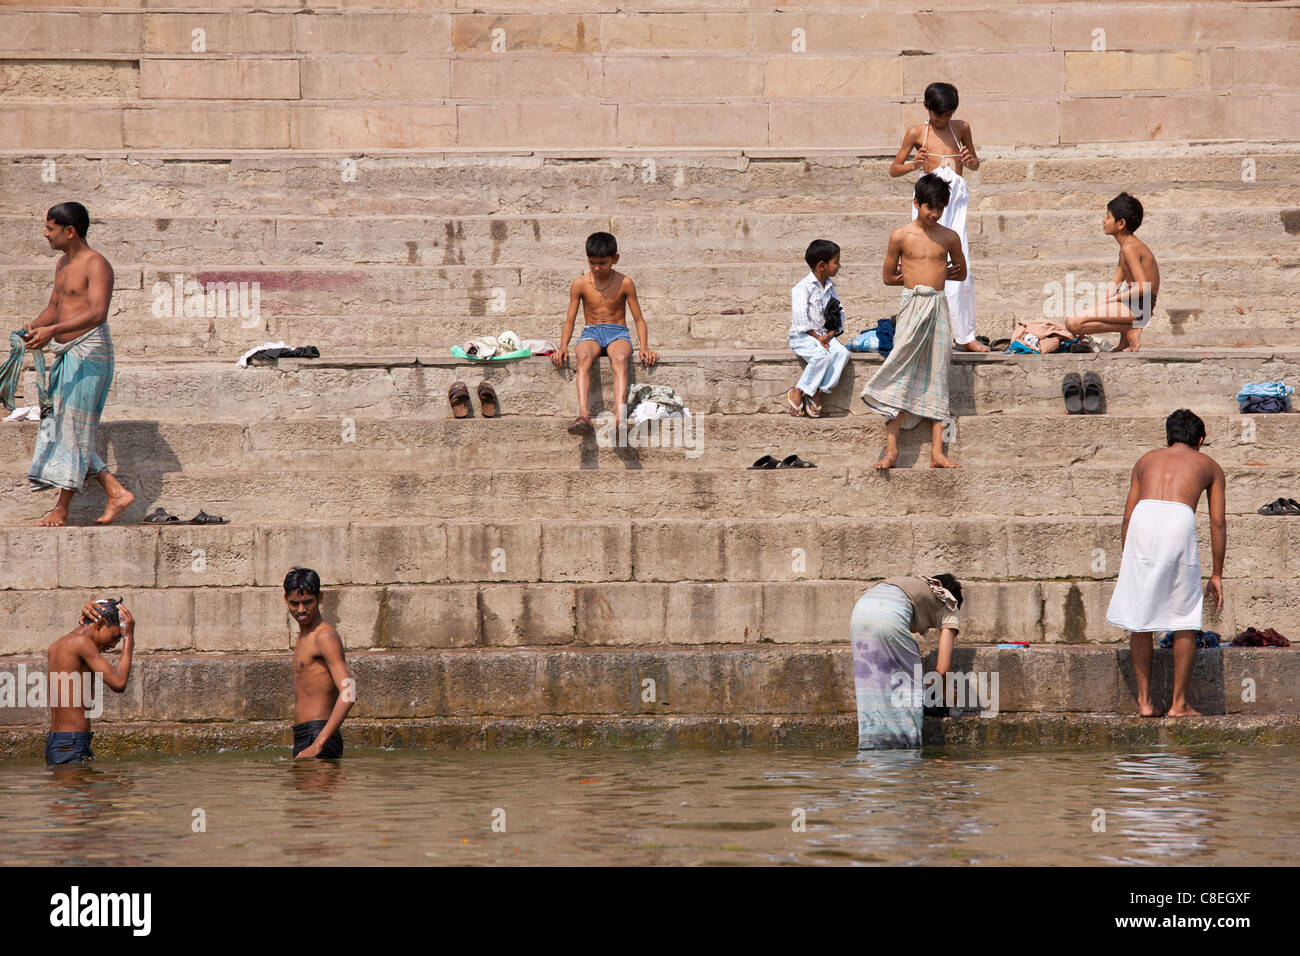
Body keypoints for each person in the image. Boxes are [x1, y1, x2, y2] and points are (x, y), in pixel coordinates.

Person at [1107, 409, 1226, 718]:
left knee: (1140, 614)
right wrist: (1216, 574)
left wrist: (1130, 560)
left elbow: (1126, 516)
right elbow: (1217, 524)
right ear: (1200, 440)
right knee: (1184, 616)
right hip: (1179, 520)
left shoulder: (1145, 460)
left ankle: (1144, 703)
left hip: (1141, 522)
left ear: (1167, 437)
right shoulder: (1209, 466)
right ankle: (1179, 704)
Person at [22, 202, 133, 526]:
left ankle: (63, 507)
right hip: (67, 353)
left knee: (73, 429)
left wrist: (53, 331)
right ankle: (114, 491)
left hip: (91, 353)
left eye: (50, 228)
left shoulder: (96, 263)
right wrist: (31, 328)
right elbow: (54, 307)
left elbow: (98, 313)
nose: (45, 234)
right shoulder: (62, 263)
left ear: (70, 231)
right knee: (58, 424)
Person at [862, 174, 965, 469]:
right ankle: (891, 451)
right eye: (928, 207)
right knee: (899, 369)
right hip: (911, 305)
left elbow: (961, 270)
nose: (934, 214)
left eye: (940, 208)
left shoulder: (949, 236)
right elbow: (887, 277)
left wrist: (939, 277)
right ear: (916, 203)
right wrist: (914, 282)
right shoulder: (900, 235)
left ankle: (937, 452)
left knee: (938, 374)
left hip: (938, 306)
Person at [889, 82, 984, 352]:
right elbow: (894, 169)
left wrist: (970, 161)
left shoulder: (962, 128)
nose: (942, 121)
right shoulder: (917, 132)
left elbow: (975, 164)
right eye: (937, 115)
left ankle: (965, 336)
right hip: (927, 204)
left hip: (953, 205)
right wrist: (914, 164)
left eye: (947, 115)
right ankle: (919, 333)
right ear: (926, 107)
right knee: (923, 263)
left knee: (961, 266)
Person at [552, 232, 659, 435]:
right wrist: (563, 346)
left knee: (619, 358)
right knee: (582, 356)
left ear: (615, 259)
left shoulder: (625, 282)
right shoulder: (580, 284)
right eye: (592, 263)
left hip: (618, 333)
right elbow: (570, 320)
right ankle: (584, 416)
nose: (597, 268)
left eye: (602, 263)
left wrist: (644, 346)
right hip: (591, 333)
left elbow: (638, 319)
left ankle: (620, 418)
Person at [850, 573, 962, 748]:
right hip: (889, 616)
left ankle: (874, 745)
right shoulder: (950, 604)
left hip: (860, 611)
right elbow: (942, 668)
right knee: (908, 688)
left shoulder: (916, 584)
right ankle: (904, 747)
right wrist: (945, 690)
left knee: (875, 686)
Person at [1065, 193, 1159, 352]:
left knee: (1073, 323)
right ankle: (1127, 333)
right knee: (1076, 324)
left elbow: (1144, 287)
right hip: (1131, 305)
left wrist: (1112, 301)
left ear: (1121, 223)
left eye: (1108, 217)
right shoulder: (1126, 247)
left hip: (1139, 306)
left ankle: (1131, 328)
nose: (1103, 220)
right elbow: (1114, 284)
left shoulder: (1130, 247)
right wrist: (1097, 306)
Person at [46, 598, 134, 765]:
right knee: (117, 787)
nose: (115, 644)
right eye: (116, 636)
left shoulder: (58, 645)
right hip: (71, 742)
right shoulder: (81, 643)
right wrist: (128, 638)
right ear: (100, 623)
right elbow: (119, 682)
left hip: (59, 741)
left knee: (80, 790)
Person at [286, 567, 354, 759]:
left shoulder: (324, 636)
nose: (301, 610)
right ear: (286, 600)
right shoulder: (304, 636)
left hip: (318, 735)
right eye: (294, 603)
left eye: (307, 602)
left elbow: (349, 692)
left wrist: (318, 744)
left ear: (320, 598)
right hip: (304, 734)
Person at [787, 239, 850, 418]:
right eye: (836, 262)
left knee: (842, 353)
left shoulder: (830, 287)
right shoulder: (802, 288)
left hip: (824, 336)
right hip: (803, 336)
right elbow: (800, 318)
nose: (839, 266)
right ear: (822, 265)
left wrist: (830, 334)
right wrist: (816, 337)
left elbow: (839, 311)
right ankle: (799, 391)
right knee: (821, 355)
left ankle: (817, 389)